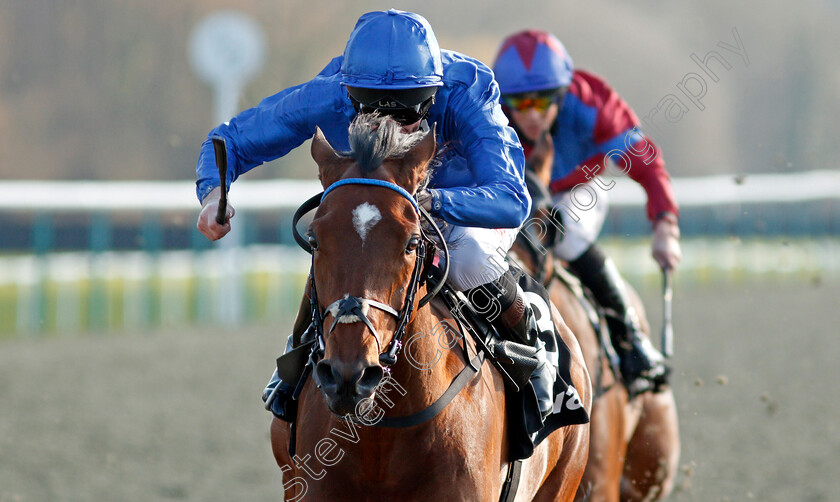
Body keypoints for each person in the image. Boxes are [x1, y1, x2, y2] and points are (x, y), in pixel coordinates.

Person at [194, 10, 563, 421]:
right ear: (349, 93)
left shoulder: (466, 92)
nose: (388, 124)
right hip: (383, 208)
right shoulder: (327, 94)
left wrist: (434, 203)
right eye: (370, 110)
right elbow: (229, 140)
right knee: (342, 247)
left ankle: (534, 343)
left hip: (463, 201)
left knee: (471, 256)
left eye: (405, 112)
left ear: (432, 94)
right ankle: (297, 355)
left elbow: (512, 199)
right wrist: (214, 194)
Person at [492, 29, 681, 395]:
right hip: (516, 196)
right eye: (521, 103)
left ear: (562, 94)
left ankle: (630, 340)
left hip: (578, 192)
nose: (531, 115)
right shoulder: (489, 110)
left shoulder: (595, 106)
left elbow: (647, 163)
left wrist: (665, 225)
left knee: (564, 235)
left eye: (542, 101)